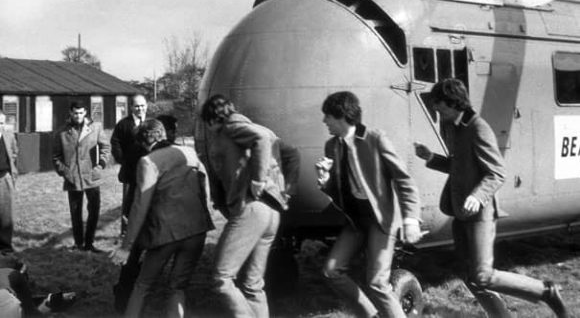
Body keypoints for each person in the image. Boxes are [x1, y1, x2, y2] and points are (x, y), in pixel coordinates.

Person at [415, 78, 570, 318]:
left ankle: (545, 291)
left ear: (454, 103)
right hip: (460, 212)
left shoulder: (478, 127)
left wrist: (477, 196)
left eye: (440, 106)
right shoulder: (455, 128)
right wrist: (430, 158)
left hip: (480, 213)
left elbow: (497, 172)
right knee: (471, 276)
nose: (437, 111)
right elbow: (460, 166)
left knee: (482, 275)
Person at [316, 91, 422, 318]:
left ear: (341, 115)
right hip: (356, 221)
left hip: (381, 219)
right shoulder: (331, 146)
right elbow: (339, 193)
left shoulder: (375, 139)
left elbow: (404, 179)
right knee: (331, 271)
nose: (324, 121)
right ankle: (372, 316)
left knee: (376, 282)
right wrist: (326, 182)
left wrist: (411, 219)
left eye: (328, 116)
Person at [200, 94, 300, 318]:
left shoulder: (231, 126)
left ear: (212, 119)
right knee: (252, 283)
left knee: (221, 278)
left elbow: (261, 139)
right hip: (271, 212)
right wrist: (285, 190)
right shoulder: (253, 127)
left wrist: (258, 179)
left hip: (251, 210)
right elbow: (292, 153)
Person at [110, 119, 214, 318]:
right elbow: (204, 188)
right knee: (178, 286)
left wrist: (126, 247)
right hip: (196, 231)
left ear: (144, 142)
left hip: (165, 233)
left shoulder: (148, 162)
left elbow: (140, 205)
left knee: (142, 285)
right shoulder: (189, 153)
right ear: (162, 134)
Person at [52, 101, 110, 252]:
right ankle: (79, 244)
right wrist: (66, 172)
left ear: (85, 113)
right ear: (70, 113)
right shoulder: (62, 132)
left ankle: (89, 243)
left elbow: (105, 147)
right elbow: (56, 157)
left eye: (81, 112)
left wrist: (100, 165)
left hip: (92, 176)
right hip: (73, 179)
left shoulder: (95, 128)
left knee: (94, 209)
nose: (78, 116)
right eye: (75, 113)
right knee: (75, 212)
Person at [111, 95, 148, 236]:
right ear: (131, 107)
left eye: (142, 105)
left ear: (147, 106)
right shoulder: (123, 124)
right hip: (130, 170)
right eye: (137, 106)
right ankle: (125, 232)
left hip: (147, 170)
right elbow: (115, 143)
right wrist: (123, 160)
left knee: (145, 199)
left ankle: (143, 231)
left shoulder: (151, 124)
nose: (140, 109)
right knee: (128, 202)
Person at [0, 111, 18, 253]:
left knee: (7, 214)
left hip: (5, 178)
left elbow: (14, 152)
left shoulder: (8, 135)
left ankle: (5, 247)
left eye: (1, 123)